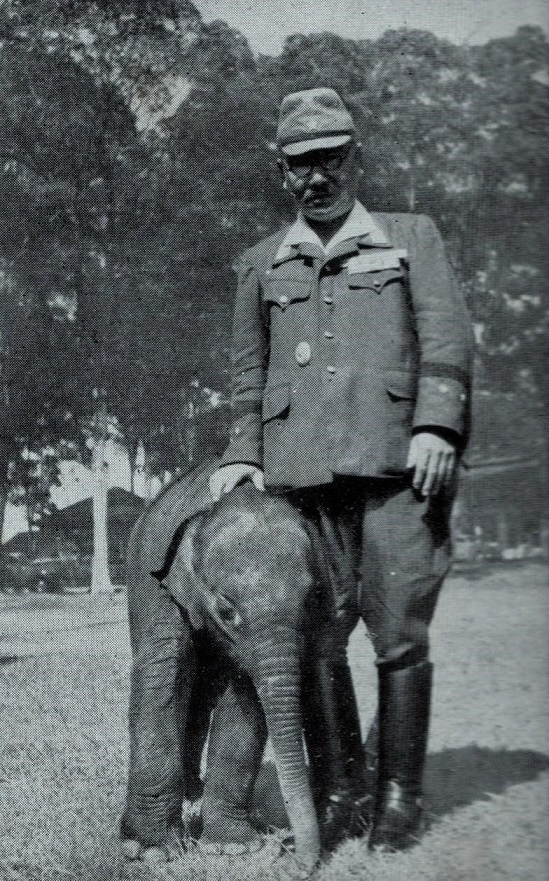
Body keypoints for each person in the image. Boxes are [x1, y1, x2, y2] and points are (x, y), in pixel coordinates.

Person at [209, 87, 474, 852]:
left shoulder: (410, 236)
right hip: (301, 478)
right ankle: (340, 788)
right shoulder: (261, 262)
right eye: (300, 165)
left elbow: (447, 336)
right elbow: (247, 374)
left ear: (356, 158)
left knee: (399, 630)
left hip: (396, 469)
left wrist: (436, 423)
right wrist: (242, 452)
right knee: (317, 637)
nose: (316, 177)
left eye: (330, 159)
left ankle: (397, 798)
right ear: (281, 172)